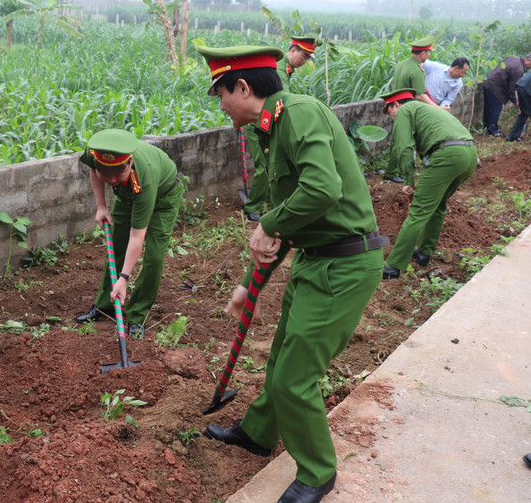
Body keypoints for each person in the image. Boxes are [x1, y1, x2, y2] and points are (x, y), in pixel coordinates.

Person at [194, 41, 386, 503]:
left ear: (243, 87)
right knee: (282, 355)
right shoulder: (271, 129)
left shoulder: (298, 114)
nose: (220, 105)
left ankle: (318, 472)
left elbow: (321, 189)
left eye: (220, 93)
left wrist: (270, 225)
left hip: (343, 265)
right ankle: (259, 433)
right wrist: (246, 283)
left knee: (295, 378)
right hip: (316, 259)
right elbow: (282, 218)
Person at [72, 129, 183, 340]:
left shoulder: (144, 178)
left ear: (129, 163)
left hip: (162, 198)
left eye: (117, 174)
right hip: (126, 195)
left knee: (154, 256)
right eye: (107, 174)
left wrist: (123, 278)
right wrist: (101, 206)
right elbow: (94, 172)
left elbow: (137, 236)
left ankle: (137, 316)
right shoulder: (95, 153)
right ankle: (105, 306)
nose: (111, 180)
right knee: (116, 246)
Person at [378, 89, 478, 280]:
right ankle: (424, 252)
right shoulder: (428, 110)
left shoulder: (404, 111)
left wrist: (407, 180)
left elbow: (404, 147)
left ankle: (393, 266)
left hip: (447, 156)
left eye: (389, 112)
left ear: (396, 105)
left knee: (418, 212)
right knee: (438, 205)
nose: (391, 118)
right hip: (470, 154)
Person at [243, 36, 319, 222]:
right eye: (304, 56)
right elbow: (279, 99)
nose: (305, 61)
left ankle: (269, 202)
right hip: (259, 124)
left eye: (308, 58)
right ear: (293, 50)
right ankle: (252, 207)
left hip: (268, 122)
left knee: (272, 164)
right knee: (264, 166)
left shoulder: (286, 68)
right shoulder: (278, 68)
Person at [385, 35, 441, 183]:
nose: (429, 55)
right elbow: (421, 95)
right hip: (407, 109)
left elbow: (393, 86)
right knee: (403, 141)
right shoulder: (416, 70)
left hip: (394, 106)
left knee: (396, 139)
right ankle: (393, 172)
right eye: (429, 52)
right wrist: (437, 109)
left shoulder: (401, 64)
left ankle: (392, 169)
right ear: (423, 53)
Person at [482, 53, 531, 136]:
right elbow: (512, 90)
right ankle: (493, 131)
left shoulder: (514, 58)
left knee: (489, 109)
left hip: (489, 82)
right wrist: (516, 102)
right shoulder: (519, 70)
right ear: (527, 60)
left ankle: (488, 128)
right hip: (495, 87)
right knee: (495, 109)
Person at [507, 69, 531, 142]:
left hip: (521, 87)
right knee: (525, 113)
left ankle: (513, 136)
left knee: (523, 113)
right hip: (528, 88)